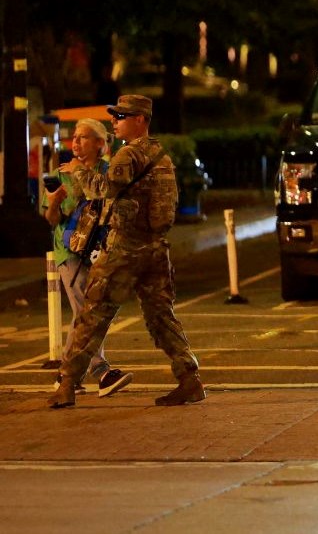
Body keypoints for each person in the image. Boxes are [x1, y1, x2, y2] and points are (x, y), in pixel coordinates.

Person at [48, 95, 205, 409]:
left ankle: (66, 385)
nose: (115, 120)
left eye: (122, 116)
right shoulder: (161, 154)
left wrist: (78, 169)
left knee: (93, 314)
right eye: (115, 115)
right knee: (161, 316)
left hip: (125, 247)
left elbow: (103, 189)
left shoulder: (127, 155)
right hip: (156, 247)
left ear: (141, 119)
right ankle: (190, 379)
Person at [43, 119, 131, 397]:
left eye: (84, 138)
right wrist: (55, 200)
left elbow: (108, 198)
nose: (76, 143)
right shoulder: (61, 174)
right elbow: (52, 219)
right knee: (86, 311)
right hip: (70, 252)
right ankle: (101, 371)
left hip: (101, 251)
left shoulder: (108, 172)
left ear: (100, 144)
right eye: (75, 138)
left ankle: (66, 375)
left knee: (87, 312)